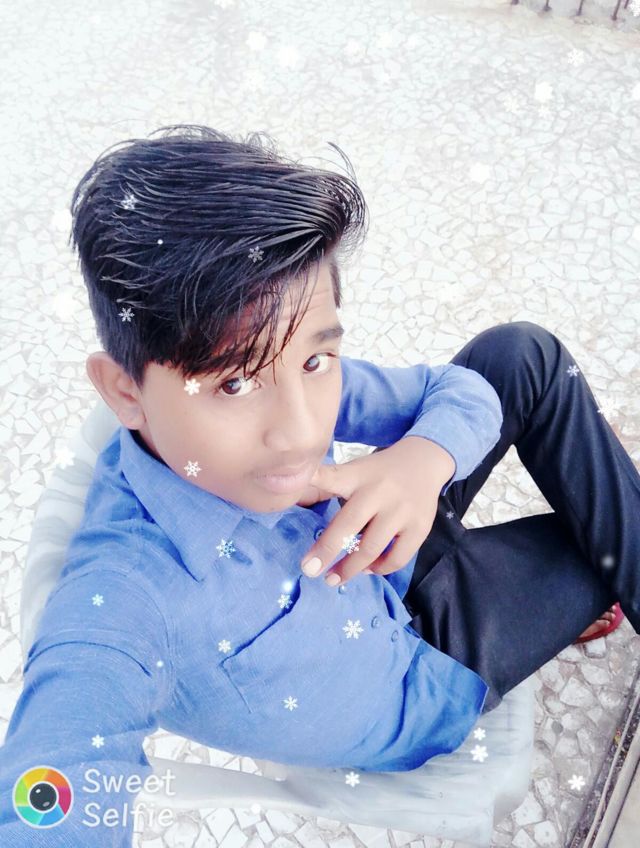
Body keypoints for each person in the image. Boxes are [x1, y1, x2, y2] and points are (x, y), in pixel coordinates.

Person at [0, 125, 636, 846]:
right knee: (607, 537)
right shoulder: (125, 599)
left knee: (519, 355)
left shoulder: (281, 375)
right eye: (234, 383)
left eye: (315, 360)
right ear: (125, 392)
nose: (302, 431)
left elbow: (456, 391)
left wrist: (423, 460)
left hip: (378, 534)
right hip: (423, 664)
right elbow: (52, 786)